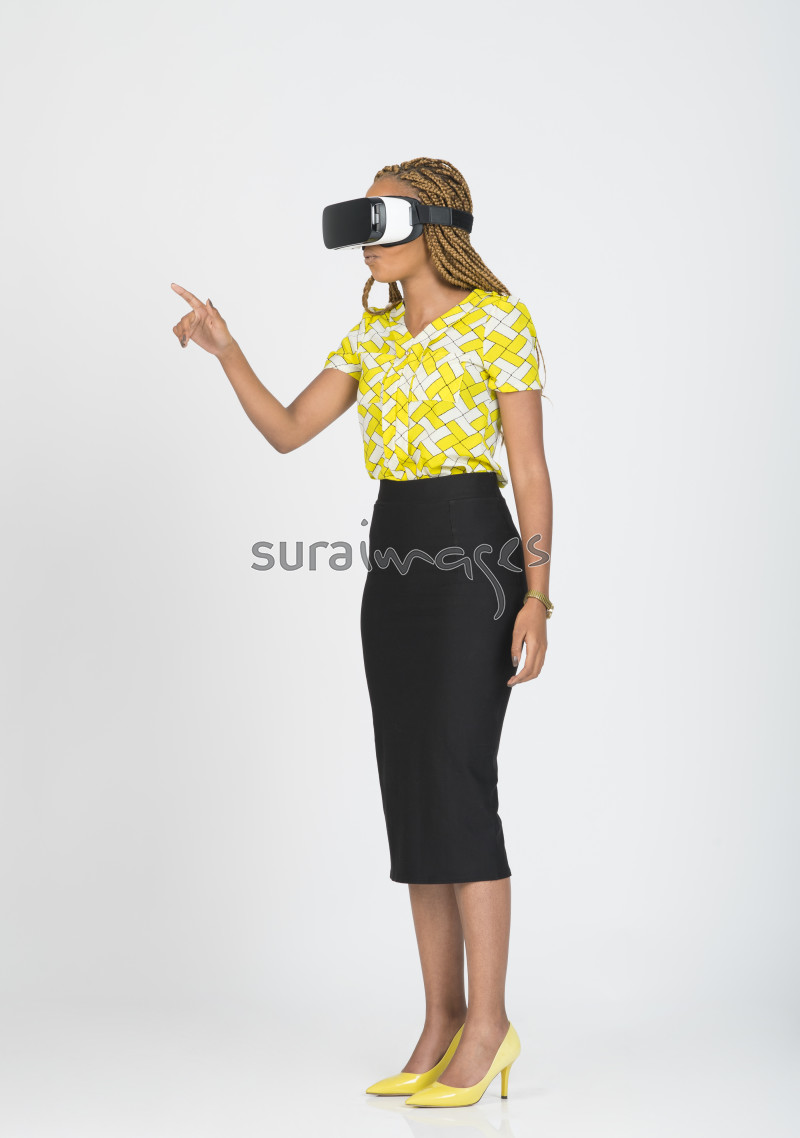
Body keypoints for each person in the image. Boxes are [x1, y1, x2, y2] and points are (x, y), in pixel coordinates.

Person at [170, 155, 553, 1108]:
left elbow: (530, 469)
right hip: (395, 561)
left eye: (384, 218)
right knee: (414, 791)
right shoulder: (371, 336)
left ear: (436, 227)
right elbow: (288, 429)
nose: (367, 239)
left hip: (475, 553)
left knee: (460, 783)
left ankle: (491, 1027)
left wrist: (538, 597)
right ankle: (440, 1020)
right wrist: (226, 350)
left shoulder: (499, 322)